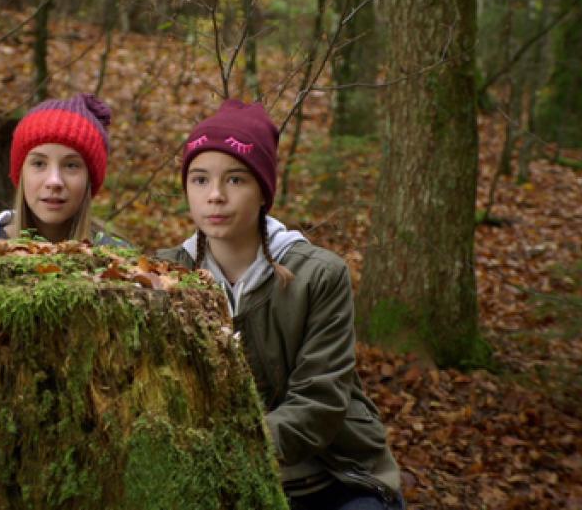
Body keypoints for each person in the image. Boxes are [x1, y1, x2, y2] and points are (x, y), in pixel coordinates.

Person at [156, 100, 404, 510]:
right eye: (199, 180)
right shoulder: (164, 274)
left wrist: (233, 449)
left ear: (263, 192)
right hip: (217, 481)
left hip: (332, 476)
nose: (215, 196)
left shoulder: (319, 275)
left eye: (235, 180)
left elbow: (320, 399)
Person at [0, 93, 126, 248]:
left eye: (71, 166)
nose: (54, 181)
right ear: (21, 173)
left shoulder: (122, 264)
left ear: (89, 179)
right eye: (39, 164)